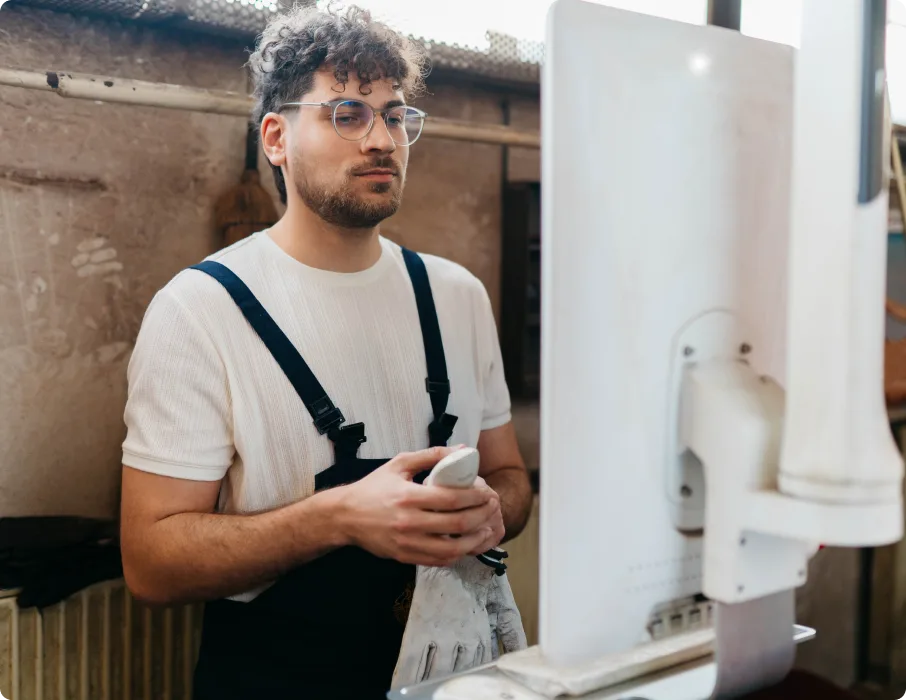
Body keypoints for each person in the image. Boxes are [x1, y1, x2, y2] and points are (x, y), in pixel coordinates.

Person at [117, 4, 533, 699]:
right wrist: (337, 517)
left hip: (455, 676)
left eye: (395, 116)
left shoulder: (456, 296)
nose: (381, 140)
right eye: (347, 113)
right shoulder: (201, 311)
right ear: (276, 138)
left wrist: (496, 509)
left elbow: (511, 476)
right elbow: (152, 566)